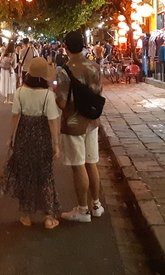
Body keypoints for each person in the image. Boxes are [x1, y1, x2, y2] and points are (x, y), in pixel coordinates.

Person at [0, 57, 61, 229]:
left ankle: (25, 215)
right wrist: (56, 144)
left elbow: (15, 116)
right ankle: (49, 217)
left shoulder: (20, 92)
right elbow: (53, 121)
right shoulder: (48, 95)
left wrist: (10, 137)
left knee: (26, 175)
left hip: (24, 136)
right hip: (42, 136)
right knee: (45, 175)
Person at [56, 31, 105, 223]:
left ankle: (83, 209)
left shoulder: (65, 71)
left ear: (66, 47)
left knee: (78, 165)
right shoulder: (94, 66)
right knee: (91, 162)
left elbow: (62, 103)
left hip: (73, 123)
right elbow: (99, 91)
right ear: (84, 45)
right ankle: (96, 204)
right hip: (92, 121)